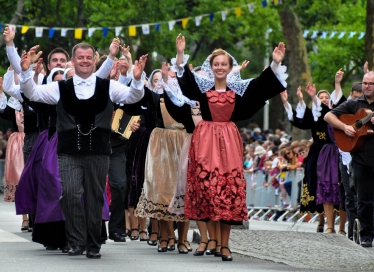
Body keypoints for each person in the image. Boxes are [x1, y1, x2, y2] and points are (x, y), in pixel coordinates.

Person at [19, 42, 147, 258]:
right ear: (74, 61)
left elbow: (133, 97)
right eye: (81, 57)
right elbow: (32, 93)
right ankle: (77, 240)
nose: (85, 61)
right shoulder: (61, 87)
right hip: (68, 151)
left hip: (98, 151)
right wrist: (24, 72)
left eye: (88, 57)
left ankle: (93, 243)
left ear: (94, 60)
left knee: (95, 196)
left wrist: (136, 79)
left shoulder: (108, 86)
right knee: (70, 194)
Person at [174, 33, 287, 261]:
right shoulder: (202, 90)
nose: (219, 67)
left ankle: (225, 244)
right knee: (208, 189)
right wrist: (180, 54)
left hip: (228, 142)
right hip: (205, 142)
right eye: (216, 64)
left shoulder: (238, 92)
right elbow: (185, 82)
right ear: (211, 66)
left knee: (228, 191)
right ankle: (210, 239)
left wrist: (275, 63)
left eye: (223, 64)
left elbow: (261, 88)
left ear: (229, 67)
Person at [324, 71, 374, 247]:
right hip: (360, 157)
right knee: (363, 199)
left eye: (370, 83)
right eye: (364, 82)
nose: (366, 86)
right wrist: (345, 127)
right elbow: (328, 116)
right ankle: (367, 235)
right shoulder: (354, 104)